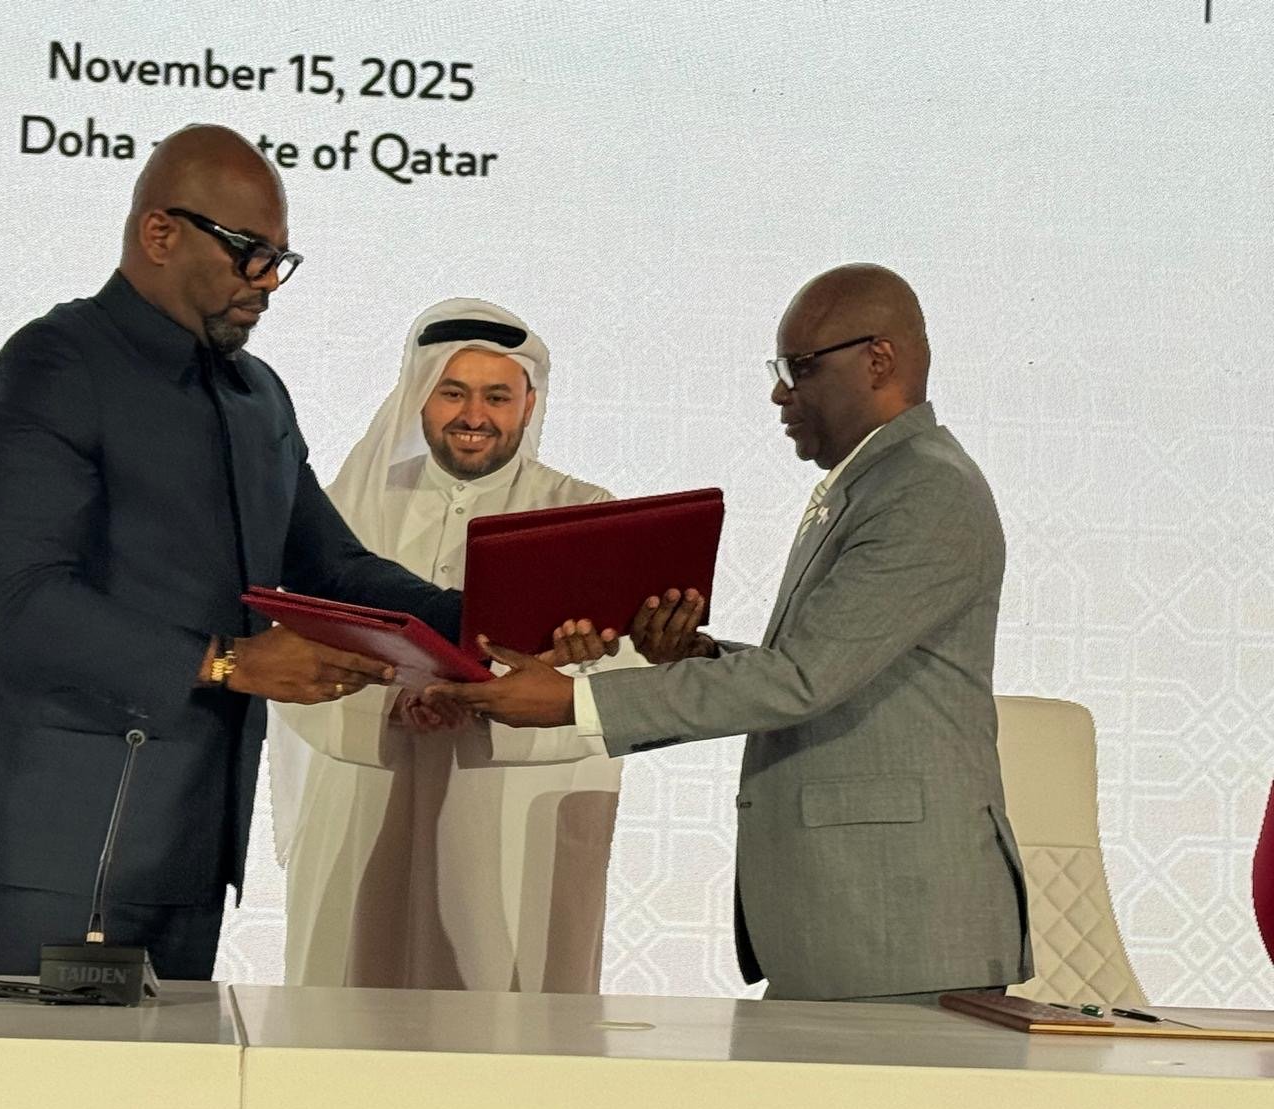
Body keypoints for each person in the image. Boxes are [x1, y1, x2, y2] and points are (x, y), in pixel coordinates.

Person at [0, 125, 459, 980]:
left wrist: (491, 616)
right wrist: (229, 662)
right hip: (56, 841)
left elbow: (334, 568)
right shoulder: (56, 361)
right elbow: (29, 606)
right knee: (50, 1072)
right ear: (160, 233)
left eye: (280, 260)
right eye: (251, 253)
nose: (267, 282)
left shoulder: (258, 394)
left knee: (169, 1072)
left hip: (189, 838)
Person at [429, 264, 1034, 1003]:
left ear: (879, 360)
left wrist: (572, 702)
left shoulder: (924, 488)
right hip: (857, 925)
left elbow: (802, 681)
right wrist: (700, 654)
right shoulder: (878, 481)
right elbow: (820, 666)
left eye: (799, 368)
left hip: (902, 929)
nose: (781, 393)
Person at [272, 299, 642, 992]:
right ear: (420, 395)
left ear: (529, 405)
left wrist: (487, 704)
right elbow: (292, 652)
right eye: (453, 393)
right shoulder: (345, 511)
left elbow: (621, 671)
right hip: (363, 798)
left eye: (497, 396)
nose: (474, 415)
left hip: (511, 809)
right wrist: (390, 706)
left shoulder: (584, 513)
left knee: (507, 1017)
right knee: (349, 1006)